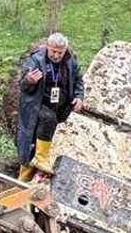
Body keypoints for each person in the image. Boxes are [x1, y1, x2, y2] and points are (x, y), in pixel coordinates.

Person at [15, 32, 85, 180]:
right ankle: (26, 178)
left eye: (60, 52)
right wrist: (29, 80)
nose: (56, 55)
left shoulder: (70, 62)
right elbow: (23, 86)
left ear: (65, 50)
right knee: (30, 145)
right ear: (47, 47)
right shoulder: (35, 60)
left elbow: (78, 80)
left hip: (59, 109)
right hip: (36, 107)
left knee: (50, 125)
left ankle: (38, 168)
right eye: (53, 51)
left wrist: (79, 96)